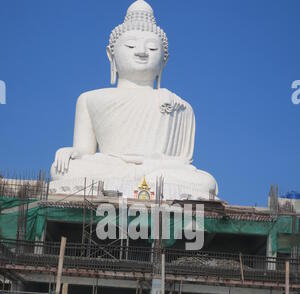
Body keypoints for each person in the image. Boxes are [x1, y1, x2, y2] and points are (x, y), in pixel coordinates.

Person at [50, 0, 218, 200]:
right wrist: (71, 153)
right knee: (61, 170)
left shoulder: (181, 106)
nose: (141, 52)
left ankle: (139, 181)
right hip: (111, 167)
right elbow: (85, 152)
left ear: (164, 61)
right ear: (111, 55)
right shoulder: (90, 99)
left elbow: (182, 162)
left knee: (207, 182)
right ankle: (144, 182)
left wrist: (151, 166)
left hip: (158, 170)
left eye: (152, 49)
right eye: (130, 46)